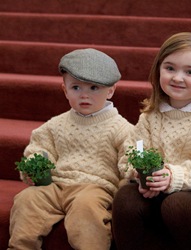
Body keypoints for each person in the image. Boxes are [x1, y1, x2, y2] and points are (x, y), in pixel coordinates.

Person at [112, 32, 191, 250]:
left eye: (190, 71)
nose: (177, 78)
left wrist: (172, 177)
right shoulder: (150, 116)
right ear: (158, 69)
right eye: (170, 68)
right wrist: (142, 175)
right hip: (153, 190)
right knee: (126, 197)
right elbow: (130, 155)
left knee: (176, 204)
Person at [8, 48, 134, 250]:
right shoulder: (55, 125)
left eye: (94, 88)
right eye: (76, 88)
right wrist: (34, 166)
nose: (84, 95)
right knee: (27, 199)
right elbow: (39, 148)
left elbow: (129, 159)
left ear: (110, 91)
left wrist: (133, 173)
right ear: (65, 90)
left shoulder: (121, 128)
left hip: (95, 188)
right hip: (56, 186)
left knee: (86, 207)